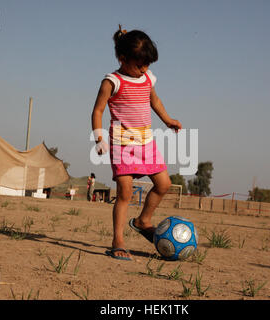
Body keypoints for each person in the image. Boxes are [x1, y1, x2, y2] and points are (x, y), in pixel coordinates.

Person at [91, 25, 182, 260]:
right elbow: (98, 110)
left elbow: (155, 101)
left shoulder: (147, 78)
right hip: (122, 145)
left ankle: (143, 220)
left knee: (164, 184)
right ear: (123, 59)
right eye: (140, 64)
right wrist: (99, 138)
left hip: (146, 143)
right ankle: (118, 240)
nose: (144, 69)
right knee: (125, 192)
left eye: (148, 64)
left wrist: (167, 119)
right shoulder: (112, 82)